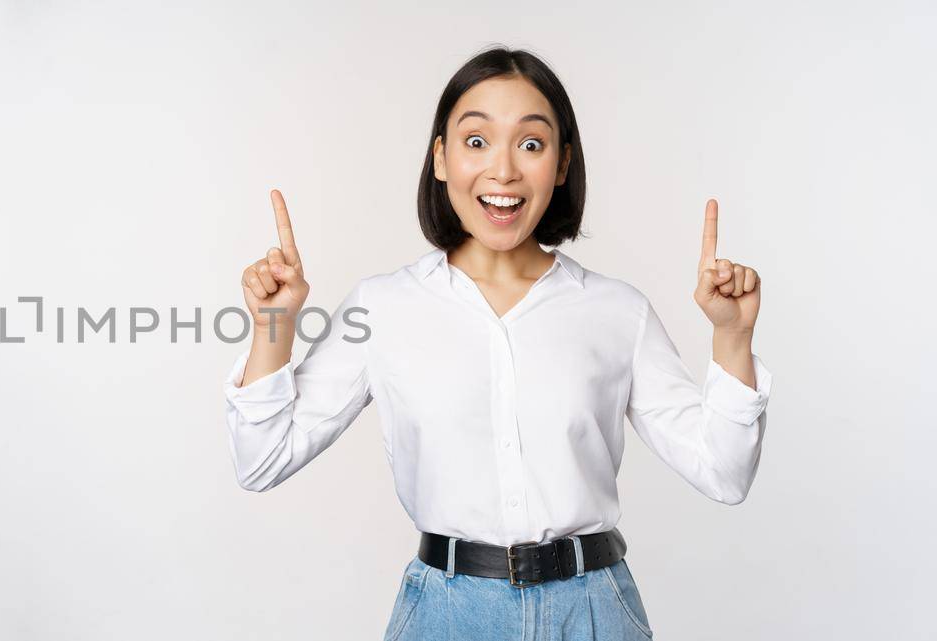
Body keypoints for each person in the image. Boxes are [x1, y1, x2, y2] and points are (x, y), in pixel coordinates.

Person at [221, 47, 771, 641]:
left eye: (531, 144)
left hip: (592, 613)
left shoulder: (617, 311)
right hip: (445, 615)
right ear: (440, 157)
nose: (503, 171)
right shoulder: (383, 307)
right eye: (476, 141)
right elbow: (262, 461)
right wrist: (273, 326)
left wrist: (733, 337)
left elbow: (724, 474)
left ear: (561, 164)